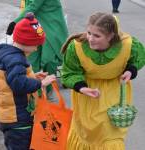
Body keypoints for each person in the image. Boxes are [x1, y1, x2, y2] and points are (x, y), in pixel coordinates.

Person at [61, 12, 145, 149]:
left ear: (111, 36)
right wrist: (82, 87)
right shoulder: (76, 47)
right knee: (87, 134)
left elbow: (139, 57)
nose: (90, 39)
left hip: (115, 91)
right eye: (89, 33)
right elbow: (69, 72)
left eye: (96, 36)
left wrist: (130, 70)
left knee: (109, 135)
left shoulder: (128, 44)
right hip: (87, 94)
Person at [0, 13, 56, 150]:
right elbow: (18, 83)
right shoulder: (16, 60)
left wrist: (34, 77)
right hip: (19, 120)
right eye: (36, 45)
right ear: (26, 42)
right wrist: (41, 83)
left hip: (10, 118)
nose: (36, 49)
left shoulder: (7, 55)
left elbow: (11, 79)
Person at [6, 0, 68, 94]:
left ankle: (47, 88)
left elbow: (33, 6)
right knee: (31, 59)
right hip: (35, 25)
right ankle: (34, 92)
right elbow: (28, 6)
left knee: (50, 60)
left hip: (51, 25)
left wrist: (15, 22)